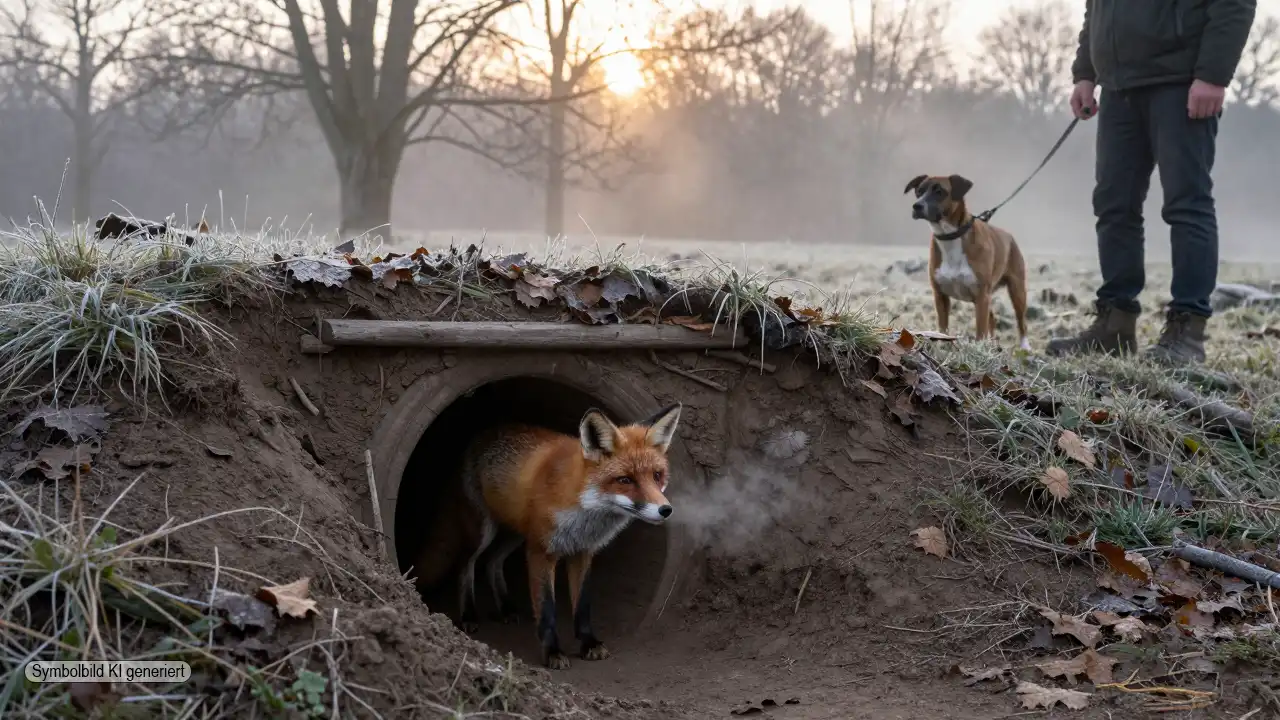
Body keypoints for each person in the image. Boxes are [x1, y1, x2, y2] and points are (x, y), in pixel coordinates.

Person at [1045, 0, 1257, 364]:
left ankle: (1187, 332)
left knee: (1186, 203)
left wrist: (1213, 74)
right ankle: (1114, 325)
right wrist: (1085, 72)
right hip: (1118, 87)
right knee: (1114, 206)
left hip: (1181, 81)